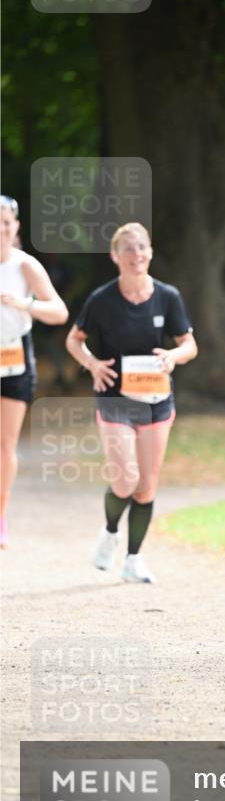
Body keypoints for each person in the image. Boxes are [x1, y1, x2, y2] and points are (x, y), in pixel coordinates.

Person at [65, 222, 197, 583]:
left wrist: (173, 356)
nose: (136, 254)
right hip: (116, 397)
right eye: (128, 248)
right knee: (126, 480)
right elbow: (74, 340)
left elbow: (189, 345)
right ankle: (109, 532)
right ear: (114, 256)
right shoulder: (102, 299)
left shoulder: (167, 296)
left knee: (147, 485)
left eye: (141, 247)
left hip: (156, 398)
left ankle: (133, 559)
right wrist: (91, 364)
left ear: (150, 252)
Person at [1, 195, 69, 547]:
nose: (1, 228)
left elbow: (59, 311)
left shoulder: (25, 266)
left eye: (6, 222)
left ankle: (0, 516)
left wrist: (24, 304)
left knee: (5, 444)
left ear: (16, 227)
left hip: (14, 357)